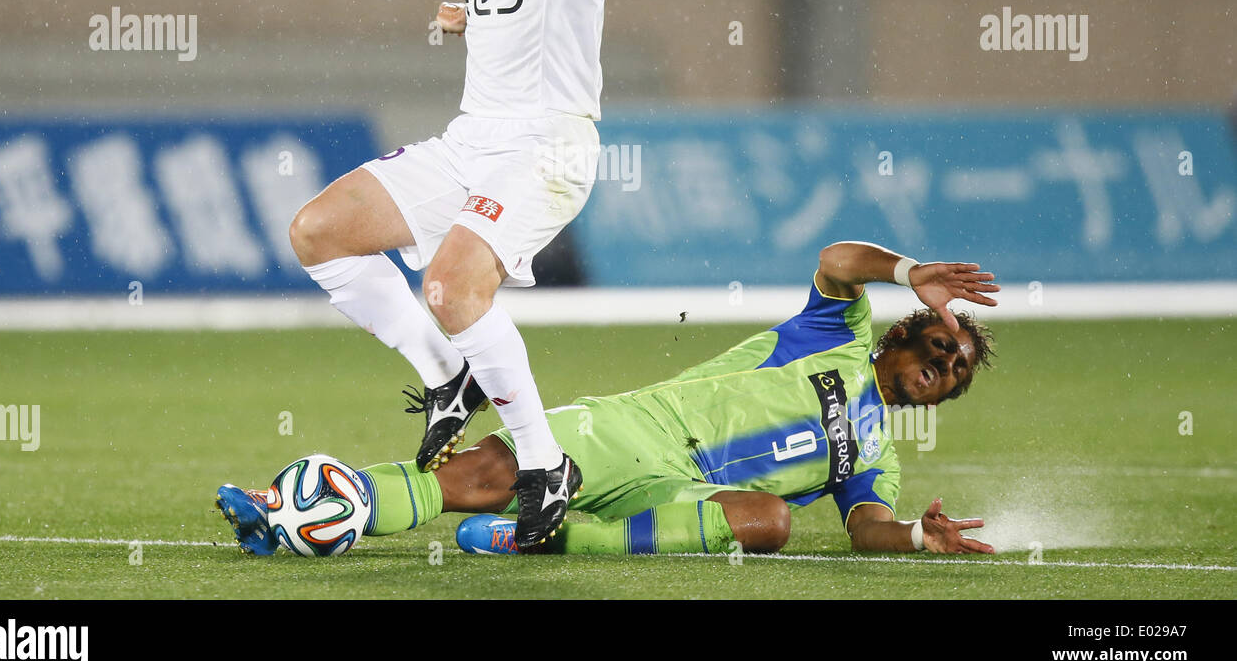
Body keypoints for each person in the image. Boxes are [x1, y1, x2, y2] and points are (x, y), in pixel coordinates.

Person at [286, 0, 634, 549]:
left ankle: (546, 465)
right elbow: (530, 12)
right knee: (318, 231)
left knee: (449, 286)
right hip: (472, 139)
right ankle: (448, 372)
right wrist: (470, 20)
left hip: (546, 147)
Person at [218, 242, 1000, 557]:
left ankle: (553, 539)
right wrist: (906, 272)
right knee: (483, 477)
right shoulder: (837, 327)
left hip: (683, 490)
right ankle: (291, 510)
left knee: (770, 522)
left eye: (955, 372)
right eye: (939, 345)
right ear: (900, 337)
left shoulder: (874, 456)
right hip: (640, 428)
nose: (943, 367)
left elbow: (866, 529)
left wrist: (917, 538)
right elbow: (836, 259)